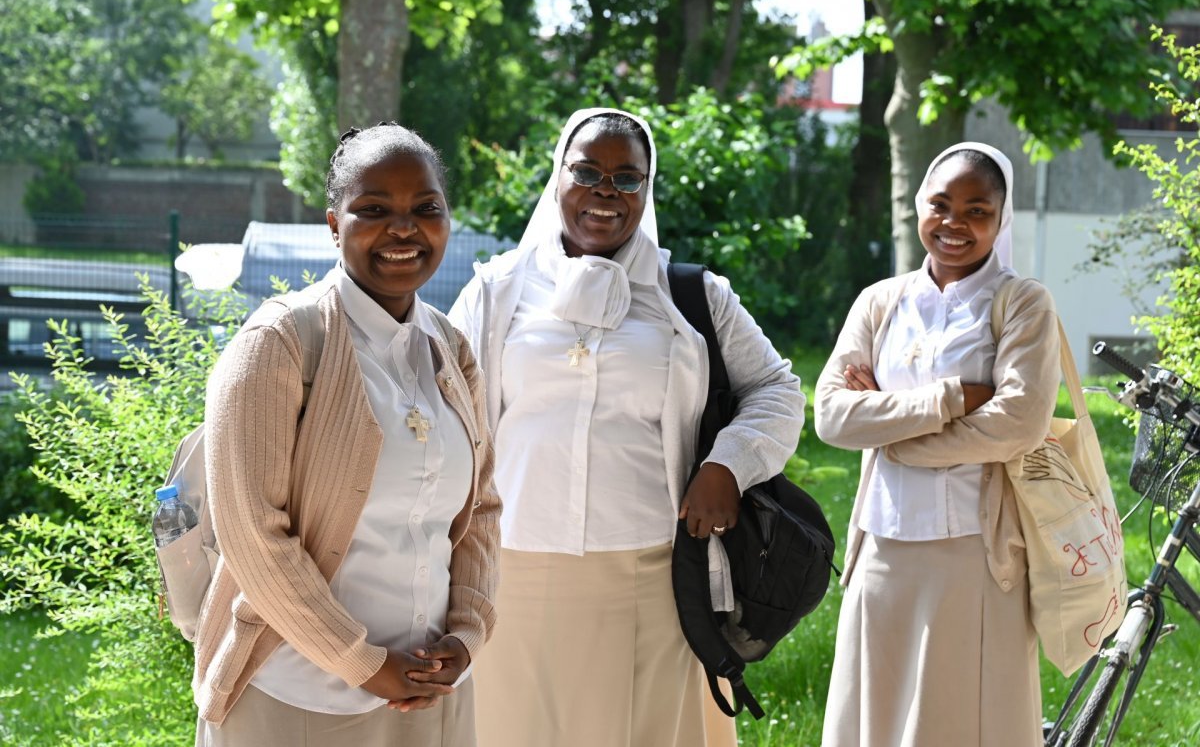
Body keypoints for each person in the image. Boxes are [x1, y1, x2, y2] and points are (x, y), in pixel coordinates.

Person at [448, 107, 804, 747]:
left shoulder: (692, 297)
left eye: (627, 178)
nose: (605, 192)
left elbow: (777, 389)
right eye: (586, 172)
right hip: (513, 570)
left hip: (648, 574)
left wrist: (729, 464)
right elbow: (447, 411)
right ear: (557, 178)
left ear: (648, 189)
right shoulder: (496, 291)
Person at [192, 123, 501, 747]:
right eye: (374, 210)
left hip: (430, 696)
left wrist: (466, 636)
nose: (403, 228)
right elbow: (252, 534)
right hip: (298, 698)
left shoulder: (451, 348)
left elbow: (482, 511)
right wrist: (366, 664)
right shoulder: (280, 343)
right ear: (334, 225)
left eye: (425, 209)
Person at [815, 142, 1061, 747]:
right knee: (877, 713)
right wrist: (949, 398)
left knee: (962, 720)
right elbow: (831, 417)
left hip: (975, 554)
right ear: (919, 207)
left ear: (1001, 221)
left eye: (977, 210)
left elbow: (1019, 423)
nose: (955, 223)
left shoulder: (1021, 303)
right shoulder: (880, 302)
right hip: (883, 546)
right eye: (941, 204)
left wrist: (894, 434)